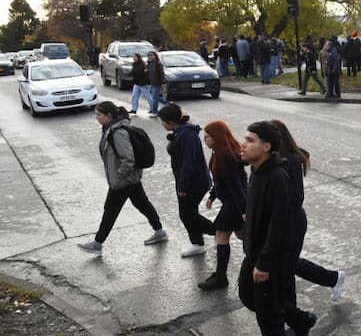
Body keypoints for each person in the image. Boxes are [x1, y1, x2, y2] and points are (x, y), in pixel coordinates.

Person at [269, 120, 345, 331]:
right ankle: (333, 278)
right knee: (287, 265)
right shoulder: (276, 159)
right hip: (285, 223)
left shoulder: (291, 161)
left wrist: (277, 221)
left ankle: (291, 315)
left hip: (292, 223)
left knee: (285, 268)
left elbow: (295, 199)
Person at [237, 122, 293, 336]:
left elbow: (280, 223)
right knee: (247, 296)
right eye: (244, 139)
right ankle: (300, 319)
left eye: (250, 140)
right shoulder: (256, 171)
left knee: (266, 311)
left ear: (266, 147)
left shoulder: (276, 177)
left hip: (267, 258)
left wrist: (265, 263)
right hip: (254, 251)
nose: (243, 144)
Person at [77, 101, 169, 255]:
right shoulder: (109, 128)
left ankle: (97, 243)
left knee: (110, 211)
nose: (96, 118)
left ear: (109, 116)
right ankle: (159, 231)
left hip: (124, 181)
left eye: (99, 115)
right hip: (130, 179)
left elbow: (128, 159)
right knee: (143, 204)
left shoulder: (118, 132)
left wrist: (119, 177)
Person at [157, 103, 215, 256]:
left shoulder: (187, 136)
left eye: (163, 121)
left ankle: (210, 235)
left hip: (193, 183)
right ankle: (201, 239)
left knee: (187, 214)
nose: (162, 124)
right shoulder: (180, 132)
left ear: (171, 121)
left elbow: (188, 163)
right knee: (188, 213)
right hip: (189, 181)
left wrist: (183, 187)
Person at [197, 120, 248, 290]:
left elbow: (236, 185)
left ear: (217, 138)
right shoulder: (219, 152)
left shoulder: (225, 156)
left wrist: (243, 210)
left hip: (234, 203)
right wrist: (212, 195)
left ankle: (221, 277)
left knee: (221, 236)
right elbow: (221, 180)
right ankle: (266, 259)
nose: (205, 141)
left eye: (208, 137)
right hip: (232, 202)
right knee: (244, 236)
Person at [146, 50, 164, 117]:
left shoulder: (158, 64)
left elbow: (162, 73)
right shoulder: (149, 64)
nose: (150, 57)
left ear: (155, 56)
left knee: (155, 98)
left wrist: (163, 82)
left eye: (151, 55)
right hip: (152, 82)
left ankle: (155, 112)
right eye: (148, 55)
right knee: (155, 96)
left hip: (157, 82)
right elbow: (149, 74)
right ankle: (167, 103)